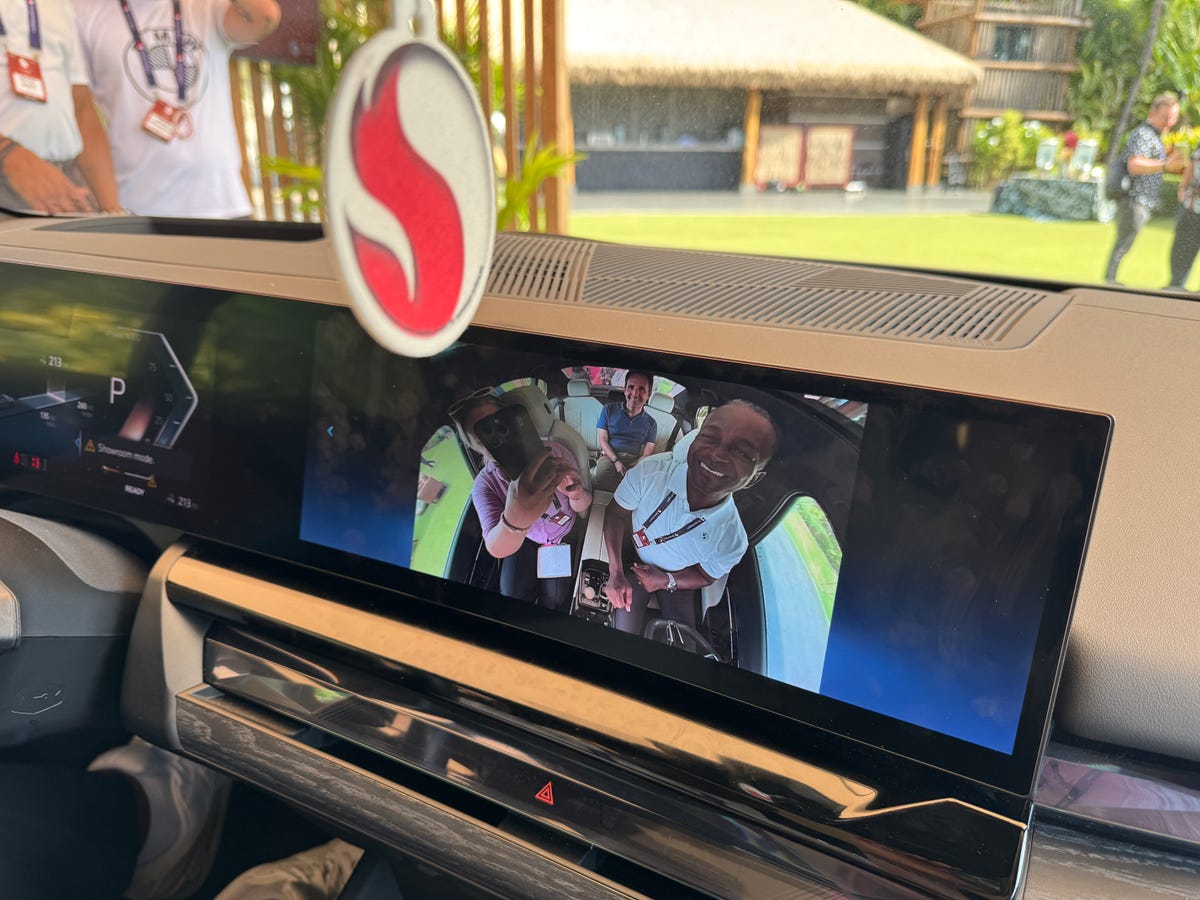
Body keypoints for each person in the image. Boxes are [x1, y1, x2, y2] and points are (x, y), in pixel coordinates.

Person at [71, 0, 281, 217]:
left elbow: (264, 15)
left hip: (219, 204)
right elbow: (82, 113)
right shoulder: (83, 10)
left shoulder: (206, 6)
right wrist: (112, 209)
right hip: (135, 206)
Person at [603, 399, 776, 637]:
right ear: (695, 439)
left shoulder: (733, 541)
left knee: (684, 647)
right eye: (710, 437)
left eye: (742, 452)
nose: (717, 454)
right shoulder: (649, 473)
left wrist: (666, 580)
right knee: (621, 633)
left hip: (676, 579)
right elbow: (614, 514)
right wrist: (616, 572)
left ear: (754, 479)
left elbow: (705, 575)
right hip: (629, 559)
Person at [450, 390, 591, 612]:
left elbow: (583, 511)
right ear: (473, 445)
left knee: (555, 600)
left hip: (564, 534)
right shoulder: (484, 484)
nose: (496, 436)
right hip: (526, 539)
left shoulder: (556, 452)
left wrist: (576, 493)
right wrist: (515, 519)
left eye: (501, 422)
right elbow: (495, 546)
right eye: (483, 432)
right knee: (511, 595)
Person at [0, 0, 121, 214]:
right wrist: (7, 154)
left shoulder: (58, 5)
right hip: (9, 170)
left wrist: (112, 210)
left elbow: (82, 109)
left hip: (65, 183)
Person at [1104, 93, 1184, 285]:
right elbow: (1135, 164)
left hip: (1142, 201)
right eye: (1166, 117)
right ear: (1153, 113)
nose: (1169, 122)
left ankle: (1110, 280)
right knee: (1123, 243)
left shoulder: (1155, 136)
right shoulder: (1143, 134)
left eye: (1173, 117)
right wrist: (1165, 165)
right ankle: (1109, 281)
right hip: (1134, 199)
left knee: (1125, 243)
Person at [593, 369, 658, 492]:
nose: (635, 394)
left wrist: (636, 471)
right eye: (631, 387)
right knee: (603, 477)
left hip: (634, 460)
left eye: (641, 389)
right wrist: (616, 461)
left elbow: (647, 454)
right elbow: (603, 440)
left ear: (648, 394)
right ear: (625, 389)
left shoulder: (651, 423)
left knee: (642, 483)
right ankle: (625, 494)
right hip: (609, 457)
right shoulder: (608, 409)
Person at [1166, 141, 1200, 291]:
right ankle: (1176, 286)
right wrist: (1182, 187)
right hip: (1191, 207)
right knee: (1181, 250)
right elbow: (1192, 164)